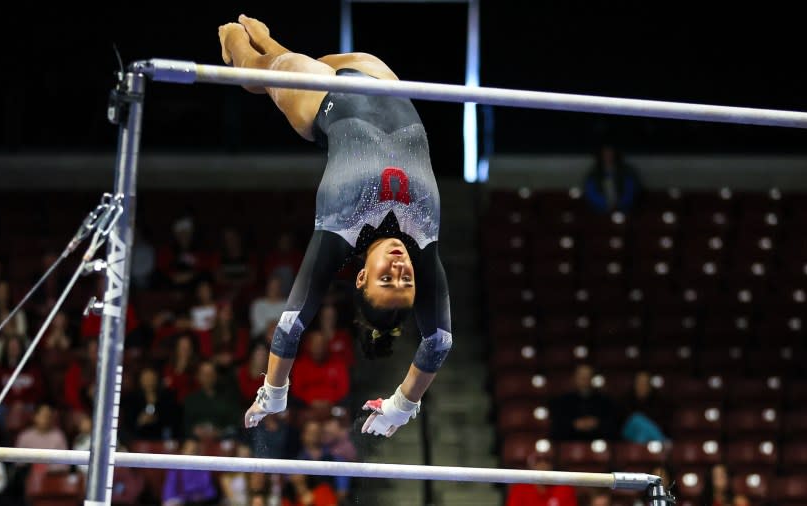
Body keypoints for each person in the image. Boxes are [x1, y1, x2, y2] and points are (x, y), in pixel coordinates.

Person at [219, 14, 452, 438]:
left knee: (255, 67)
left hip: (323, 100)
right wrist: (402, 405)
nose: (400, 267)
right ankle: (267, 43)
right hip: (381, 80)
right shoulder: (424, 240)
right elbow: (438, 341)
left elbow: (291, 324)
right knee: (275, 57)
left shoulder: (339, 229)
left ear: (361, 276)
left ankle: (230, 37)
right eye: (406, 279)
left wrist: (274, 390)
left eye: (387, 278)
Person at [549, 364, 618, 441]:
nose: (585, 379)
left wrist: (596, 423)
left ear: (592, 378)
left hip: (598, 440)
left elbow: (611, 423)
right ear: (575, 378)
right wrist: (574, 424)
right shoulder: (562, 401)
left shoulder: (605, 401)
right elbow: (558, 425)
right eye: (581, 376)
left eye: (588, 376)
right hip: (570, 441)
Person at [582, 144, 642, 214]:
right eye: (605, 154)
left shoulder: (626, 172)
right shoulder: (594, 174)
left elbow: (630, 191)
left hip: (624, 210)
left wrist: (619, 204)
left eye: (610, 153)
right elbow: (591, 193)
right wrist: (605, 204)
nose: (608, 156)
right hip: (600, 211)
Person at [505, 452, 576, 506]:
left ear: (552, 464)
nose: (543, 464)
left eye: (546, 460)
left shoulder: (565, 489)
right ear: (530, 464)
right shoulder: (519, 489)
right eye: (538, 460)